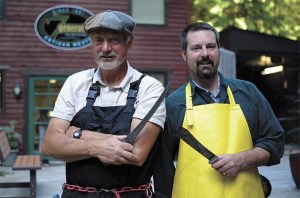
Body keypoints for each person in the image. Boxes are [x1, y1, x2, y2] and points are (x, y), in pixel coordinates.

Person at [42, 10, 167, 198]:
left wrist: (75, 133)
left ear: (129, 42)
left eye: (114, 40)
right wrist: (98, 147)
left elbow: (135, 153)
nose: (106, 48)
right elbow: (50, 145)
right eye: (99, 40)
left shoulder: (149, 87)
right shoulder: (75, 83)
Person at [161, 22, 285, 197]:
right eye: (196, 48)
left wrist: (241, 160)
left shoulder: (248, 93)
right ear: (184, 54)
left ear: (218, 50)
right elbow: (163, 170)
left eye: (210, 46)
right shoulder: (173, 104)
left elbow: (275, 142)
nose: (205, 54)